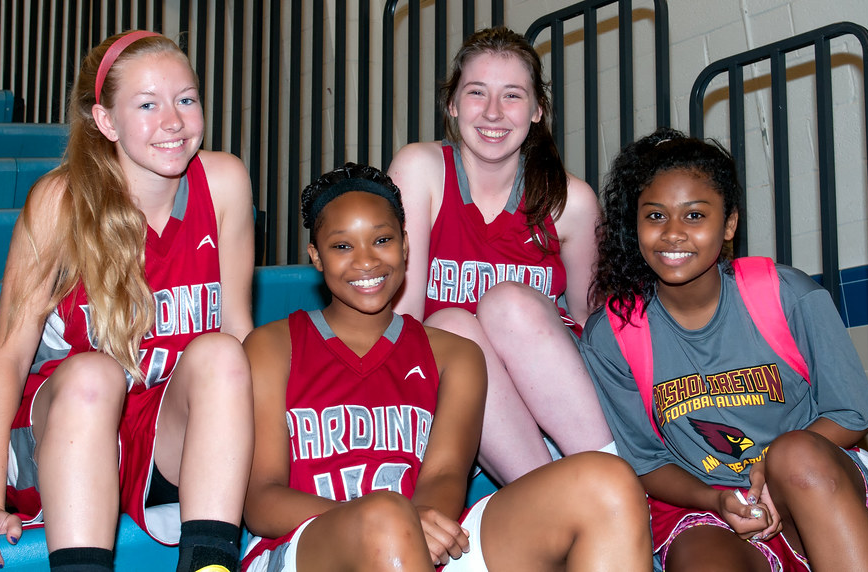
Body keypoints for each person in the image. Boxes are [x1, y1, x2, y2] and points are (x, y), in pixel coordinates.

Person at [0, 30, 255, 572]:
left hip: (163, 431)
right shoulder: (59, 202)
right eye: (147, 105)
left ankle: (209, 563)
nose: (173, 121)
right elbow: (9, 356)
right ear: (106, 121)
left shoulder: (224, 181)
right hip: (69, 428)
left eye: (186, 99)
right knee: (93, 375)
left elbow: (239, 328)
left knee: (225, 354)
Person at [240, 162, 651, 571]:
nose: (366, 261)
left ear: (406, 244)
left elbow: (445, 475)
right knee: (386, 518)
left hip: (426, 538)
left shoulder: (456, 355)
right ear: (316, 256)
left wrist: (414, 524)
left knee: (607, 480)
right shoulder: (272, 346)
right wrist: (386, 521)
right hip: (303, 544)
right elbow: (261, 499)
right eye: (342, 247)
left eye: (382, 240)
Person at [579, 127, 868, 571]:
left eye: (694, 215)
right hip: (708, 509)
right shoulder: (613, 333)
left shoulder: (787, 295)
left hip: (812, 489)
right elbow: (646, 461)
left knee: (795, 455)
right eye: (655, 216)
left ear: (729, 223)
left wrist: (770, 470)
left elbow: (853, 412)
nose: (673, 233)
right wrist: (716, 499)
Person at [387, 27, 613, 485]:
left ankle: (619, 474)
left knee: (509, 304)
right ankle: (549, 502)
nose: (493, 112)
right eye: (477, 92)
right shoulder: (420, 169)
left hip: (559, 406)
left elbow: (593, 325)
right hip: (455, 404)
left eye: (512, 95)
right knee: (451, 326)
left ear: (537, 110)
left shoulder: (571, 201)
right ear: (452, 104)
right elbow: (402, 323)